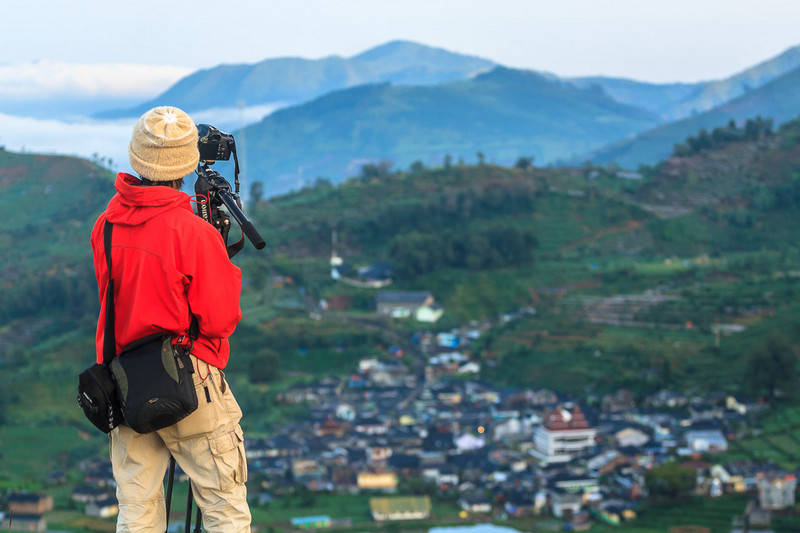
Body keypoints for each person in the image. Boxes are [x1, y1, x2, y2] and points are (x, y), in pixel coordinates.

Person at [90, 106, 251, 532]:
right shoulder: (194, 233)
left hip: (125, 379)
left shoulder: (105, 226)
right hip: (189, 377)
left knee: (137, 511)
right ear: (187, 162)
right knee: (224, 506)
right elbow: (220, 320)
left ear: (136, 157)